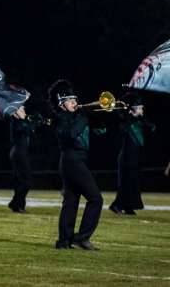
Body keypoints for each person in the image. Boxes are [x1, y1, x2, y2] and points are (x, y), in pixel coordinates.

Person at [49, 80, 104, 251]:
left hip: (77, 160)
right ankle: (81, 237)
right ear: (61, 104)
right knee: (96, 199)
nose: (75, 102)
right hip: (71, 160)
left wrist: (97, 115)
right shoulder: (59, 119)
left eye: (75, 99)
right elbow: (71, 135)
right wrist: (83, 118)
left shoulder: (77, 117)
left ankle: (64, 241)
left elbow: (102, 130)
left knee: (71, 201)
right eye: (70, 100)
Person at [109, 93, 155, 215]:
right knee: (125, 182)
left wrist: (140, 117)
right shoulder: (126, 122)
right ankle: (116, 206)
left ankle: (128, 206)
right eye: (140, 107)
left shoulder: (140, 122)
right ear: (133, 109)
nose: (142, 109)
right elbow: (122, 128)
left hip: (135, 157)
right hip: (125, 157)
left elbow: (152, 128)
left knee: (133, 183)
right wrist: (129, 113)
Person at [7, 105, 42, 213]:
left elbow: (30, 130)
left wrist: (37, 121)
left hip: (21, 152)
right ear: (15, 112)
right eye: (21, 110)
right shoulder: (15, 122)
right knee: (27, 182)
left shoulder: (22, 122)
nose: (24, 111)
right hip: (18, 153)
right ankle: (16, 203)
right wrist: (33, 123)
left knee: (20, 181)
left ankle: (17, 205)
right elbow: (25, 129)